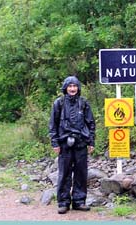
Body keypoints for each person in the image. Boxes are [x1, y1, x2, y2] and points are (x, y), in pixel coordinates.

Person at [49, 75, 95, 214]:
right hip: (64, 143)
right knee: (64, 174)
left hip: (81, 142)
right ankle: (63, 202)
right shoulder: (59, 103)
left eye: (75, 86)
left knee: (81, 173)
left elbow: (91, 123)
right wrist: (55, 142)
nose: (72, 88)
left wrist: (91, 141)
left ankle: (79, 202)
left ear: (78, 88)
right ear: (65, 88)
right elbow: (53, 124)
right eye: (70, 86)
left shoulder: (83, 103)